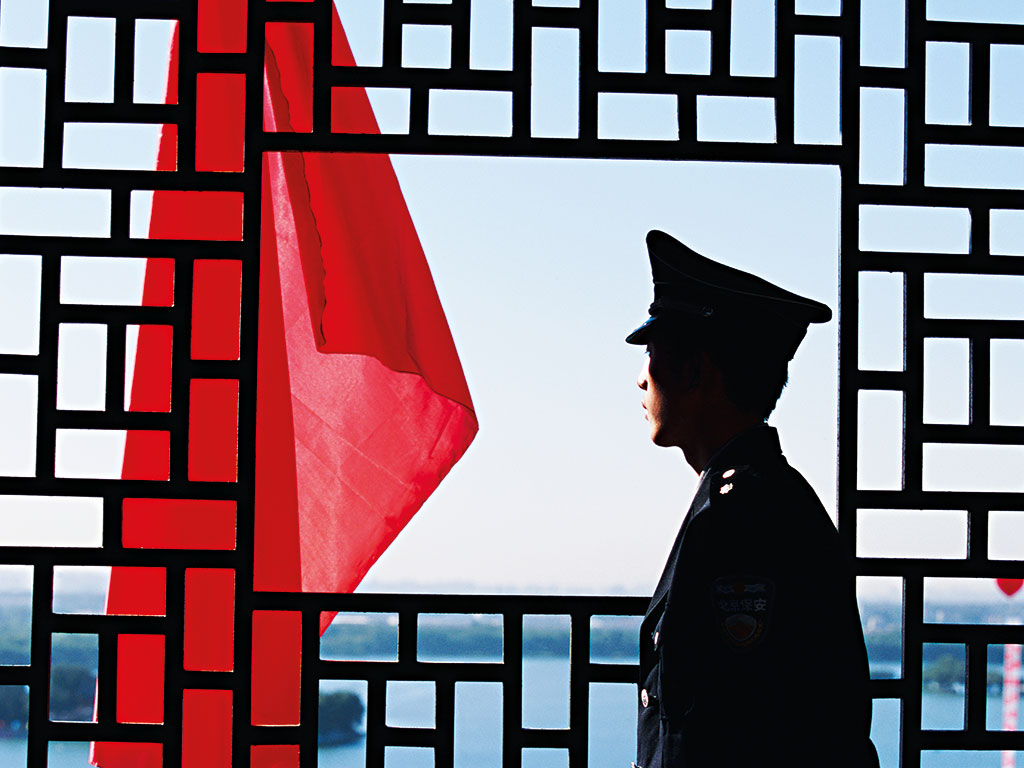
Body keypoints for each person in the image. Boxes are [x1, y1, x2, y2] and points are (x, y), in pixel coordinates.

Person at [627, 231, 879, 768]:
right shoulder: (749, 499)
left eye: (653, 352)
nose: (640, 378)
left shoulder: (745, 518)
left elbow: (748, 726)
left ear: (696, 371)